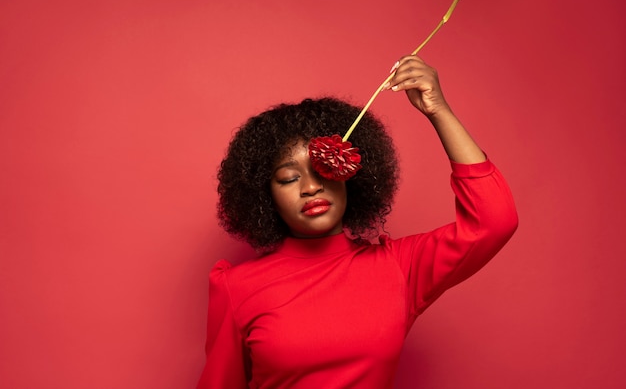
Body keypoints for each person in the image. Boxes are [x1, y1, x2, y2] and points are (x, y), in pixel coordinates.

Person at [197, 55, 519, 388]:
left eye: (324, 168)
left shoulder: (397, 268)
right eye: (289, 179)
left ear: (350, 175)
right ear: (266, 196)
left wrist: (438, 111)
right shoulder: (237, 288)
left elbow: (494, 221)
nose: (311, 187)